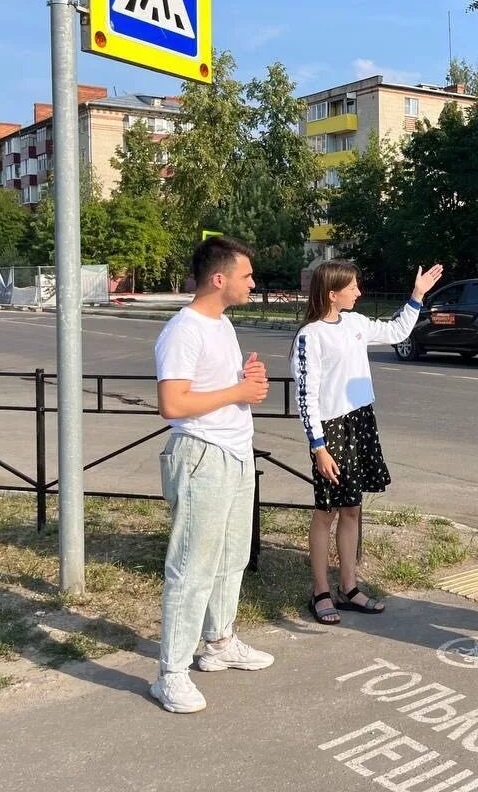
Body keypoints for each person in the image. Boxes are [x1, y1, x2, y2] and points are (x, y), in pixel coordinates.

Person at [150, 235, 273, 714]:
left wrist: (245, 381)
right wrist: (238, 391)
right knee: (191, 567)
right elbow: (172, 404)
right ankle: (171, 673)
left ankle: (219, 643)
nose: (252, 283)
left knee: (231, 556)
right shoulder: (185, 330)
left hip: (235, 453)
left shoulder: (221, 325)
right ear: (218, 279)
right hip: (202, 455)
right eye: (246, 275)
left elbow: (219, 388)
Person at [292, 259, 444, 626]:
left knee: (352, 509)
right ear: (332, 293)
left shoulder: (356, 323)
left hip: (360, 422)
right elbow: (306, 395)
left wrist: (417, 295)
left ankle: (349, 586)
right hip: (331, 430)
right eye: (353, 287)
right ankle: (320, 591)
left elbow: (396, 332)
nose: (359, 291)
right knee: (326, 512)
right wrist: (318, 445)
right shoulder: (310, 336)